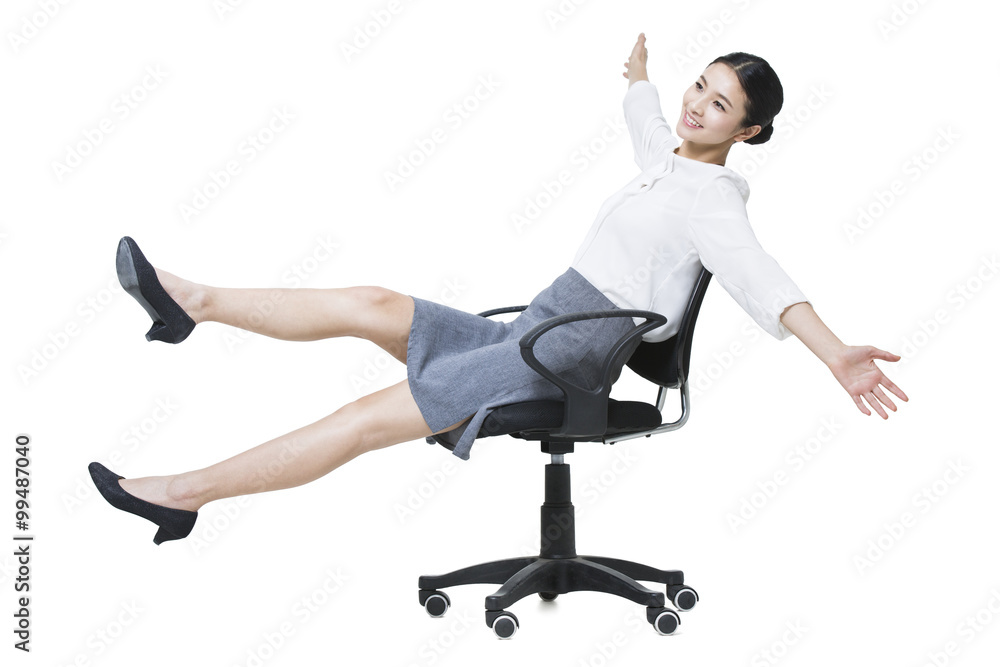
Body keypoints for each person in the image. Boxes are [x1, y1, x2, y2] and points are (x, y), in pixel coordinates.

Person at [89, 33, 908, 544]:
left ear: (749, 132)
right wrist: (642, 77)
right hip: (542, 324)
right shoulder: (671, 162)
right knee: (376, 300)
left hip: (564, 355)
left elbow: (766, 279)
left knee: (361, 420)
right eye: (701, 85)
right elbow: (649, 122)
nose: (698, 106)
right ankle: (189, 303)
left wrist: (837, 355)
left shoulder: (714, 201)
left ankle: (181, 495)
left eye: (719, 103)